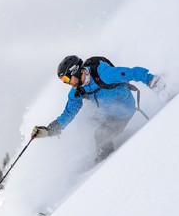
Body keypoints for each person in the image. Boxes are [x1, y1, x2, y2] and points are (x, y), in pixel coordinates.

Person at [32, 55, 161, 163]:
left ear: (75, 71)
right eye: (63, 80)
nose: (66, 83)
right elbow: (69, 112)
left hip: (124, 111)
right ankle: (100, 161)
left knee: (101, 134)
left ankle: (105, 166)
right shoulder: (78, 91)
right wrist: (50, 130)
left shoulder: (104, 74)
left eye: (66, 78)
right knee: (88, 121)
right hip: (108, 113)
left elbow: (131, 73)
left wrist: (151, 80)